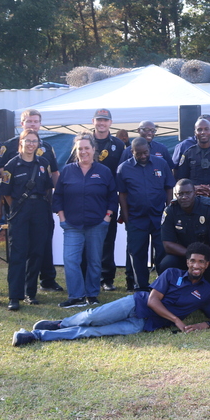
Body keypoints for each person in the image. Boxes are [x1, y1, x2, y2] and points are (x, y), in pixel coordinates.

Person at [12, 243, 210, 346]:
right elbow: (152, 300)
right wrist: (177, 320)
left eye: (201, 262)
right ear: (187, 262)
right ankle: (60, 324)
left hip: (144, 325)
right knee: (91, 317)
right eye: (192, 260)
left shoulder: (208, 292)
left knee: (91, 332)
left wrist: (204, 325)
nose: (196, 265)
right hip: (134, 305)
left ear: (207, 264)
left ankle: (35, 336)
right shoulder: (171, 273)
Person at [0, 108, 63, 294]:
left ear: (40, 124)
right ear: (22, 124)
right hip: (18, 205)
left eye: (36, 121)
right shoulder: (9, 147)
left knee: (42, 245)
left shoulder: (47, 148)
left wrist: (58, 197)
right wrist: (14, 206)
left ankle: (46, 280)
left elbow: (54, 174)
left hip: (42, 204)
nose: (32, 125)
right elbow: (4, 176)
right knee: (19, 248)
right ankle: (17, 291)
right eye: (29, 121)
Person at [52, 133, 117, 308]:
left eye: (87, 148)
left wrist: (107, 217)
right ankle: (76, 296)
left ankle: (92, 294)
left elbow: (112, 197)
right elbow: (57, 196)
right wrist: (62, 218)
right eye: (80, 148)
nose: (83, 151)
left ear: (94, 149)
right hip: (72, 225)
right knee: (71, 260)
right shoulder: (67, 170)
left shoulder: (103, 171)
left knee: (94, 260)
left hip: (97, 224)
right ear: (76, 150)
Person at [69, 109, 126, 292]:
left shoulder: (119, 144)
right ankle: (87, 276)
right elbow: (71, 166)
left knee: (108, 239)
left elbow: (124, 172)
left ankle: (106, 278)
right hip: (86, 199)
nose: (102, 123)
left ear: (110, 122)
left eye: (105, 120)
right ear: (93, 121)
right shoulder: (84, 141)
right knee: (86, 240)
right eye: (99, 120)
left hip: (108, 198)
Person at [0, 130, 54, 310]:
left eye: (34, 141)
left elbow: (48, 188)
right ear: (20, 143)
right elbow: (6, 194)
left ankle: (30, 293)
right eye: (28, 141)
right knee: (18, 254)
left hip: (40, 210)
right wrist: (16, 208)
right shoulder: (11, 165)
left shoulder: (43, 163)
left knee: (37, 252)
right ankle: (14, 297)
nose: (31, 144)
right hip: (20, 211)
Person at [117, 137, 175, 292]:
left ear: (149, 149)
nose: (143, 156)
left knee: (162, 253)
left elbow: (169, 187)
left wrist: (168, 211)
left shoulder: (161, 164)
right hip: (136, 218)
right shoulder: (123, 168)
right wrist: (126, 216)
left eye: (145, 152)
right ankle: (141, 286)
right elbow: (122, 194)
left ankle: (162, 286)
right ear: (132, 152)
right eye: (139, 153)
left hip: (159, 217)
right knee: (137, 254)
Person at [160, 179, 210, 306]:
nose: (184, 197)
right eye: (180, 194)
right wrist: (193, 259)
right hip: (183, 257)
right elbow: (168, 245)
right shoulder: (170, 211)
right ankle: (173, 297)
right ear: (176, 195)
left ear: (195, 193)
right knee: (167, 263)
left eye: (188, 193)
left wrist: (202, 261)